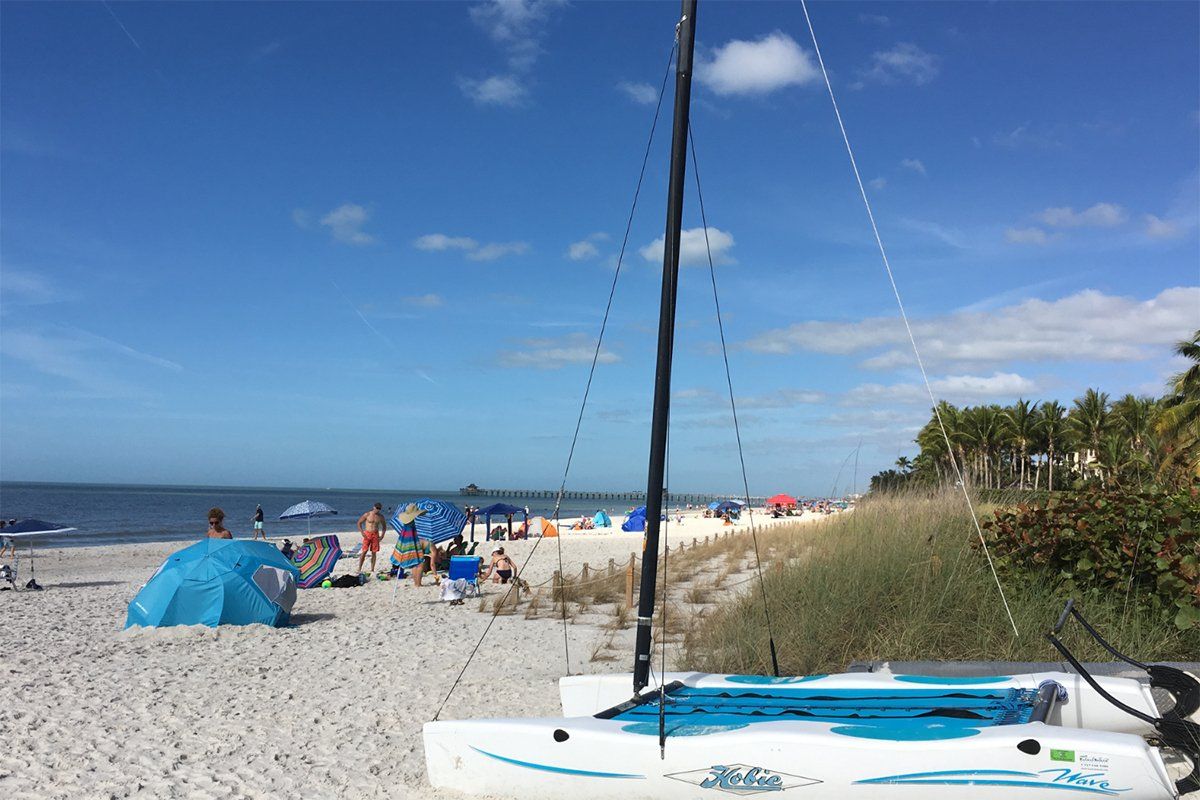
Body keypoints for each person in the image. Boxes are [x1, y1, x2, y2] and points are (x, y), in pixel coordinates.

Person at [357, 502, 386, 575]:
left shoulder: (380, 517)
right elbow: (359, 523)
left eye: (379, 508)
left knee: (374, 552)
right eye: (377, 508)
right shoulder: (367, 514)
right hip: (367, 534)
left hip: (375, 535)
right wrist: (362, 532)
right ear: (374, 507)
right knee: (364, 551)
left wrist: (382, 536)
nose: (378, 509)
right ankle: (359, 568)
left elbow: (384, 527)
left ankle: (372, 569)